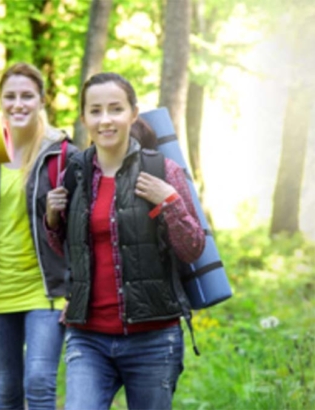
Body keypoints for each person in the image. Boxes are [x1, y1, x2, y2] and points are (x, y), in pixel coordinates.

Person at [45, 72, 205, 410]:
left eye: (116, 109)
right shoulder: (74, 172)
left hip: (154, 337)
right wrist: (52, 220)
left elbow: (193, 247)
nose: (106, 120)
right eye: (96, 111)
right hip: (87, 336)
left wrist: (171, 203)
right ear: (84, 117)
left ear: (133, 114)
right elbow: (67, 251)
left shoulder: (162, 169)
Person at [0, 62, 77, 410]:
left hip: (46, 289)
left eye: (27, 96)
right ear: (0, 100)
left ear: (42, 100)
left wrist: (74, 287)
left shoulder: (62, 154)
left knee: (39, 382)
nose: (18, 104)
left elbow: (80, 230)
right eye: (10, 96)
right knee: (6, 391)